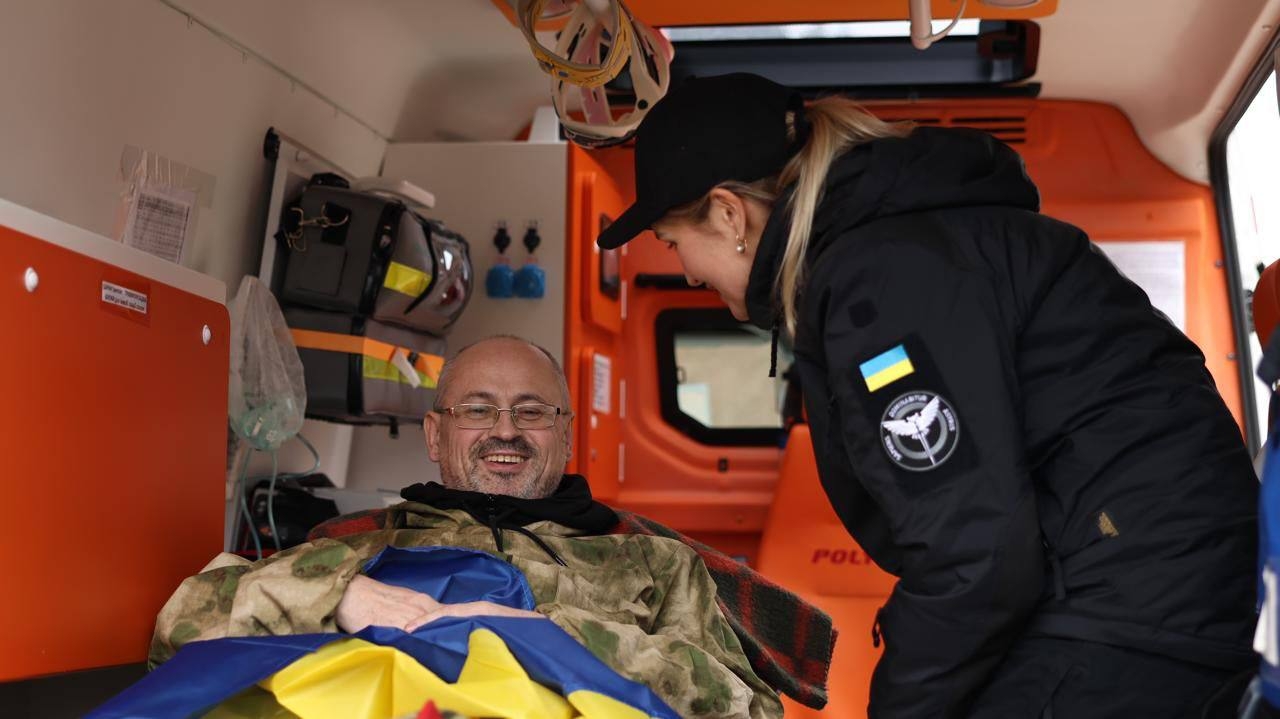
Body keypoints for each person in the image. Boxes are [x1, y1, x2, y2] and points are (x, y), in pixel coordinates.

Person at [595, 72, 1259, 718]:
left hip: (1135, 607)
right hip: (1162, 589)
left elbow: (975, 554)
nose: (686, 271)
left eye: (673, 243)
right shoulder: (897, 250)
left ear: (728, 213)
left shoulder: (879, 281)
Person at [151, 335, 790, 719]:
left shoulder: (651, 562)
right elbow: (180, 625)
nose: (505, 431)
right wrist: (340, 594)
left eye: (531, 412)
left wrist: (551, 635)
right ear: (435, 435)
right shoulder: (357, 543)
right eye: (478, 411)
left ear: (567, 434)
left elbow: (747, 708)